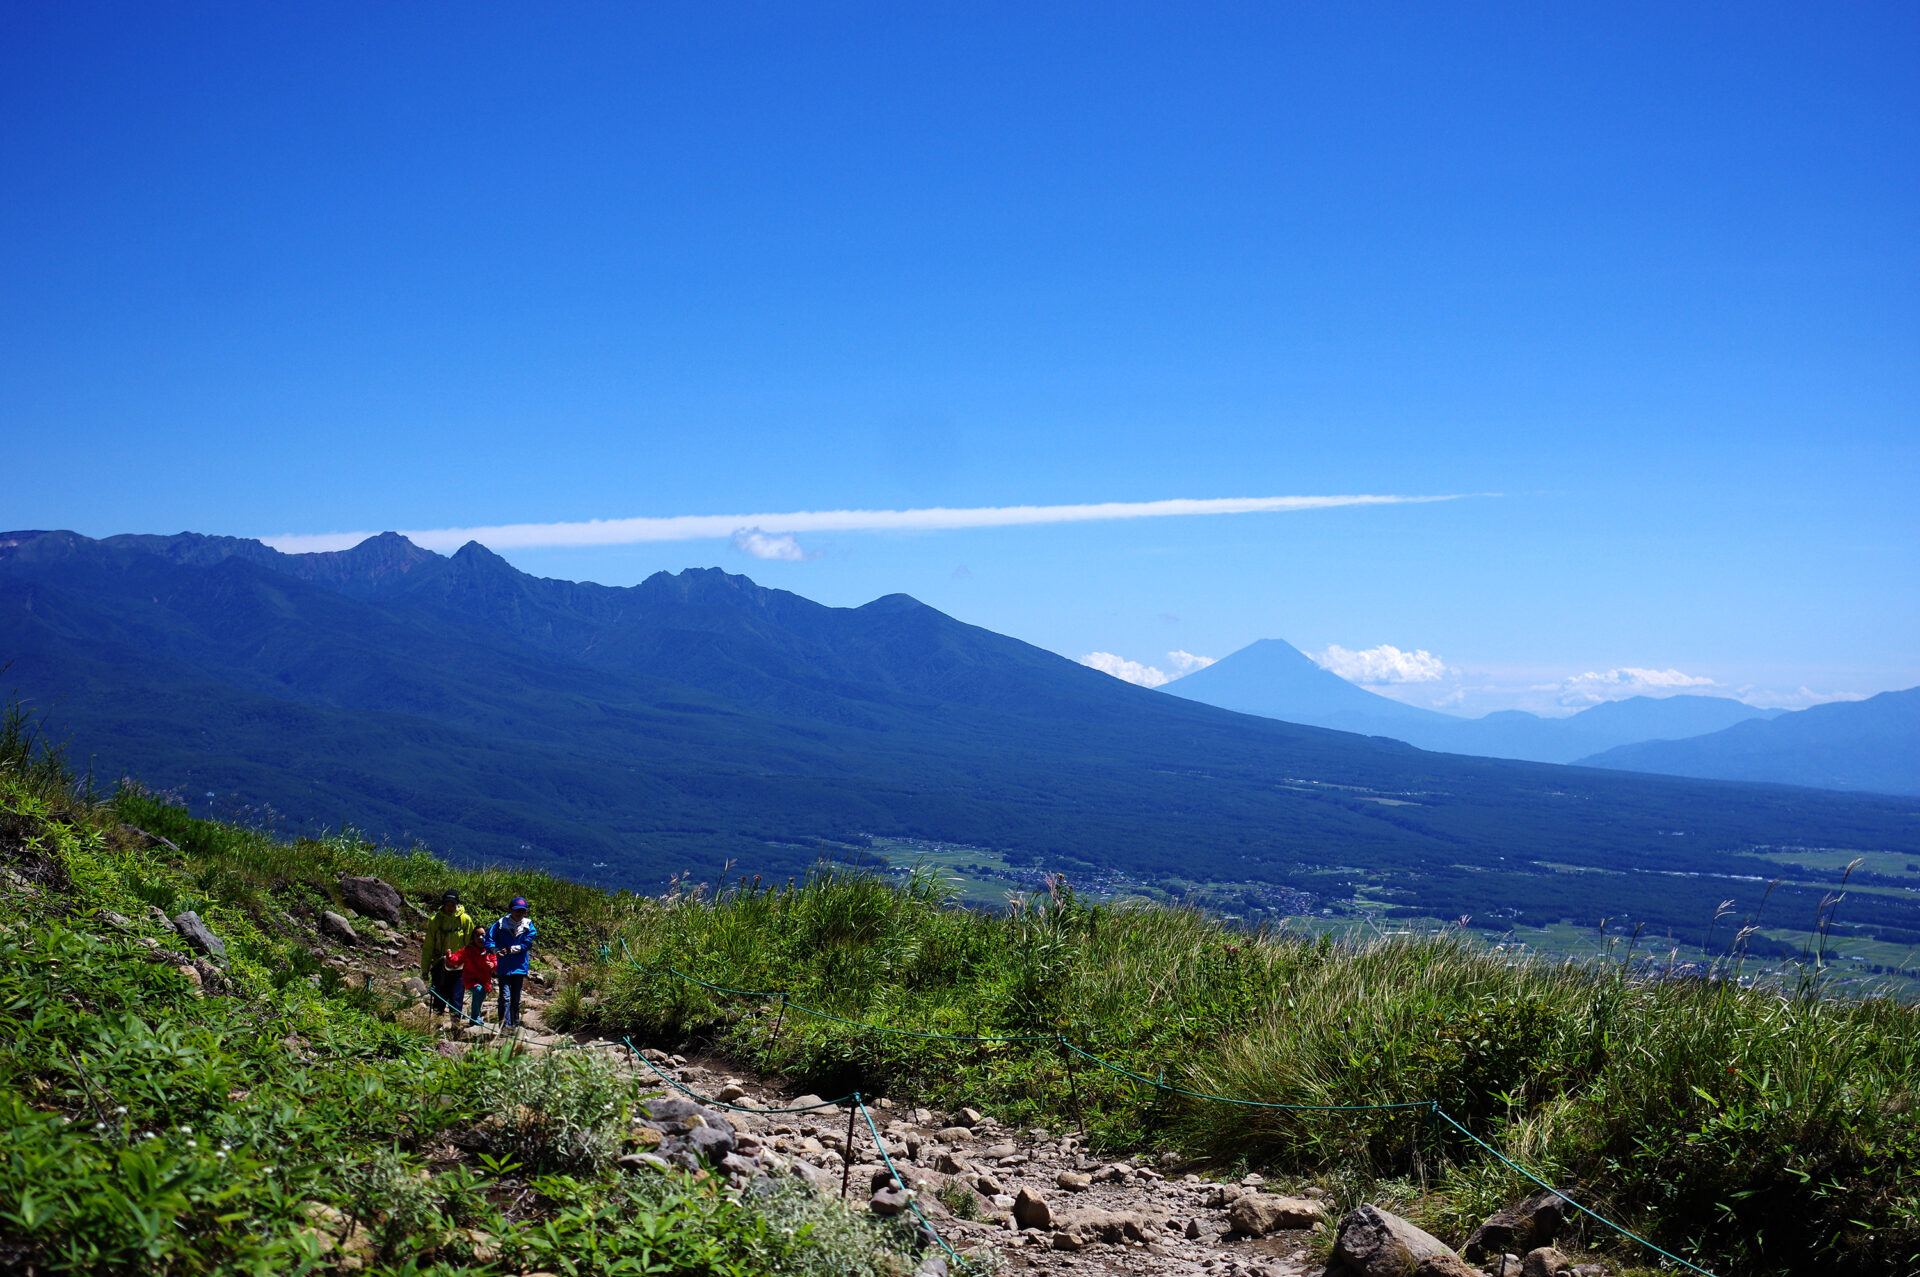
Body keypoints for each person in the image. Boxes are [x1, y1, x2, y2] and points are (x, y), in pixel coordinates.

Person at [421, 889, 476, 1029]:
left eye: (453, 905)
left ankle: (455, 1027)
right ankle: (436, 1026)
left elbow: (471, 944)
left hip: (460, 966)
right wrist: (425, 969)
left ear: (457, 904)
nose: (450, 908)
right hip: (440, 964)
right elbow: (428, 946)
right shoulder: (436, 920)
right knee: (439, 996)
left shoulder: (465, 920)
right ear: (443, 904)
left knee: (457, 997)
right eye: (448, 904)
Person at [488, 896, 538, 1029]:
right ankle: (505, 1025)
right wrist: (495, 950)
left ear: (526, 912)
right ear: (510, 910)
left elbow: (527, 944)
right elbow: (489, 939)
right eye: (517, 911)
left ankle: (514, 1024)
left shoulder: (528, 926)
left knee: (516, 998)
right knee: (505, 996)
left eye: (522, 911)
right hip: (504, 967)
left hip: (519, 967)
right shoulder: (500, 924)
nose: (519, 914)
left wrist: (511, 950)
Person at [454, 925, 496, 1025]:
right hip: (470, 979)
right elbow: (458, 959)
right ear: (473, 938)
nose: (480, 938)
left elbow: (496, 961)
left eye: (483, 935)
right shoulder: (468, 949)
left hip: (484, 980)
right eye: (477, 935)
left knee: (481, 994)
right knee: (478, 991)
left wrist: (493, 965)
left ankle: (476, 1015)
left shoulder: (490, 950)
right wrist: (450, 956)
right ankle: (474, 1017)